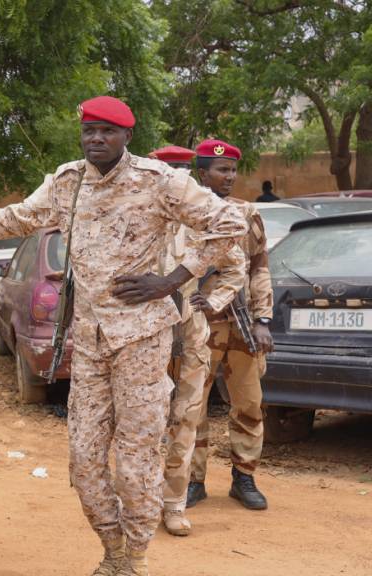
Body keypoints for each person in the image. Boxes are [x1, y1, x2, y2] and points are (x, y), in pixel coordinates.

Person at [0, 96, 247, 576]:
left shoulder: (160, 182)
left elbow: (229, 222)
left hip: (141, 338)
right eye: (90, 131)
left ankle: (133, 560)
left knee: (135, 465)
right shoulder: (68, 182)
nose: (96, 139)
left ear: (126, 137)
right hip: (89, 340)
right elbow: (19, 217)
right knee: (85, 464)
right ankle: (112, 551)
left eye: (107, 132)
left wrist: (173, 279)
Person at [151, 146, 248, 537]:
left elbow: (235, 267)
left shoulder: (204, 218)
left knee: (186, 418)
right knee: (141, 422)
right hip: (145, 334)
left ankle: (173, 505)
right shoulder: (141, 216)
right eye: (168, 172)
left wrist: (213, 301)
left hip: (191, 333)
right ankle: (139, 500)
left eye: (180, 173)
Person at [186, 139, 275, 512]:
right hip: (197, 327)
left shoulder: (247, 213)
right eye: (222, 170)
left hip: (240, 327)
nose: (230, 177)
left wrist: (263, 320)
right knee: (191, 407)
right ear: (202, 173)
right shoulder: (184, 212)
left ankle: (244, 477)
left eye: (233, 170)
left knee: (249, 404)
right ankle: (192, 480)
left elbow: (259, 269)